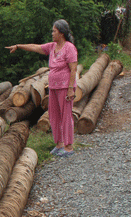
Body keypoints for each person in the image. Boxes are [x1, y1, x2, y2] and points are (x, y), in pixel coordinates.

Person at [5, 19, 78, 157]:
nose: (52, 33)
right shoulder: (52, 46)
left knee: (66, 116)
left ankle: (68, 147)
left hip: (65, 87)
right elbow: (35, 47)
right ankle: (59, 144)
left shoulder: (69, 48)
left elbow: (73, 69)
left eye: (54, 31)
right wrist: (19, 46)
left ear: (61, 33)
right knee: (54, 115)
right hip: (53, 87)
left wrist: (70, 89)